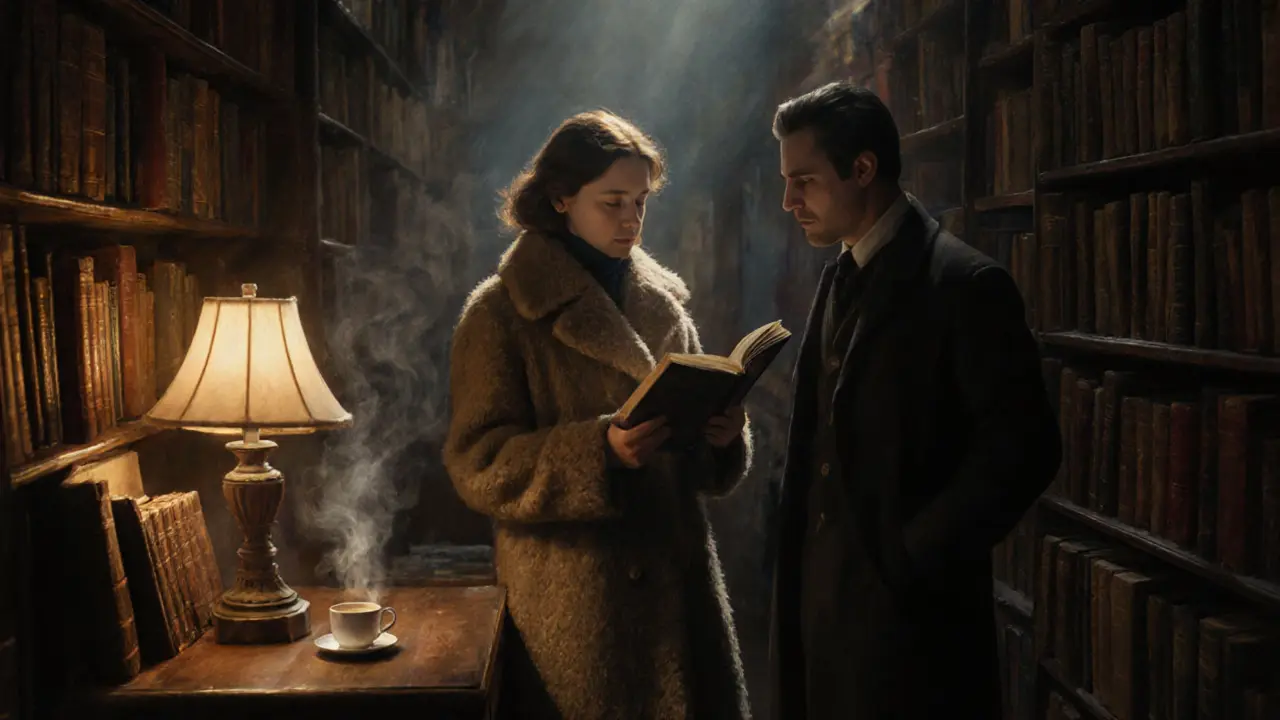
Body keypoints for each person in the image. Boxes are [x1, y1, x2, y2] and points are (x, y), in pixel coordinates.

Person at [766, 82, 1062, 719]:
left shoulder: (966, 284)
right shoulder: (839, 273)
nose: (789, 200)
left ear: (863, 168)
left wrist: (909, 556)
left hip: (910, 632)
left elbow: (1024, 450)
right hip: (824, 620)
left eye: (805, 180)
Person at [444, 109, 753, 720]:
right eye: (612, 202)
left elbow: (696, 462)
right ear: (561, 199)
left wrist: (720, 439)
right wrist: (598, 453)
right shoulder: (501, 313)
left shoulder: (664, 303)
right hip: (577, 609)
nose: (632, 220)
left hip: (675, 593)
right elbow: (478, 463)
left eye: (640, 202)